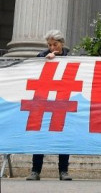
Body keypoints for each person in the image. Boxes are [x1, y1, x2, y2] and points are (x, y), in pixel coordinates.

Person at [26, 30, 73, 181]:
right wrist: (45, 60)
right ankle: (35, 170)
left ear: (62, 44)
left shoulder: (71, 58)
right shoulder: (42, 56)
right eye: (50, 45)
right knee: (40, 135)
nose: (52, 47)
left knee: (64, 137)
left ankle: (63, 171)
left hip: (63, 102)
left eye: (55, 44)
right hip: (43, 101)